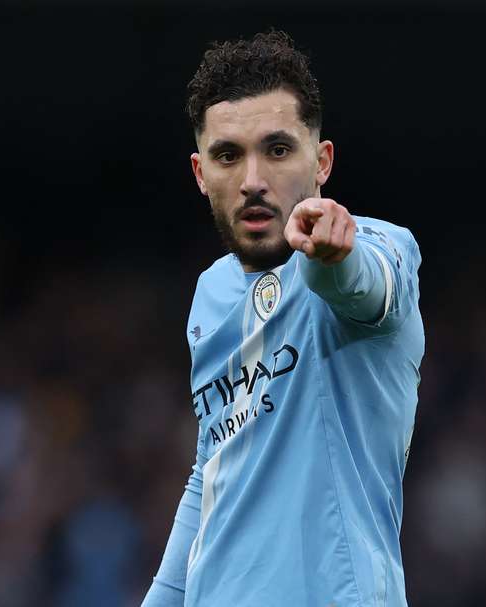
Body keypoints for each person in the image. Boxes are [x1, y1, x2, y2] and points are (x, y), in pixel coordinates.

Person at [142, 30, 424, 607]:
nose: (252, 180)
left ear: (321, 162)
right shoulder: (211, 293)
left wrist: (333, 258)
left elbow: (366, 285)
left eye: (276, 149)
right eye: (228, 155)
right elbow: (213, 471)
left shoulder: (377, 246)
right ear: (200, 173)